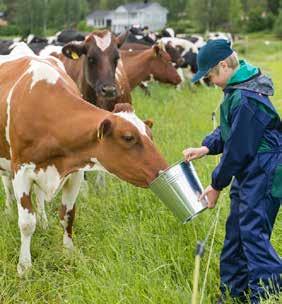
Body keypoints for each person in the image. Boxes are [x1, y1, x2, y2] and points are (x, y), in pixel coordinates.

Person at [183, 39, 282, 303]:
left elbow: (237, 150)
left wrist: (215, 185)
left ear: (224, 65)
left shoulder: (247, 98)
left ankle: (266, 295)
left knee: (253, 235)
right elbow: (230, 129)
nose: (211, 82)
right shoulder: (236, 89)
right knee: (236, 232)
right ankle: (232, 293)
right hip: (250, 170)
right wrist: (206, 147)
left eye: (211, 76)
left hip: (264, 172)